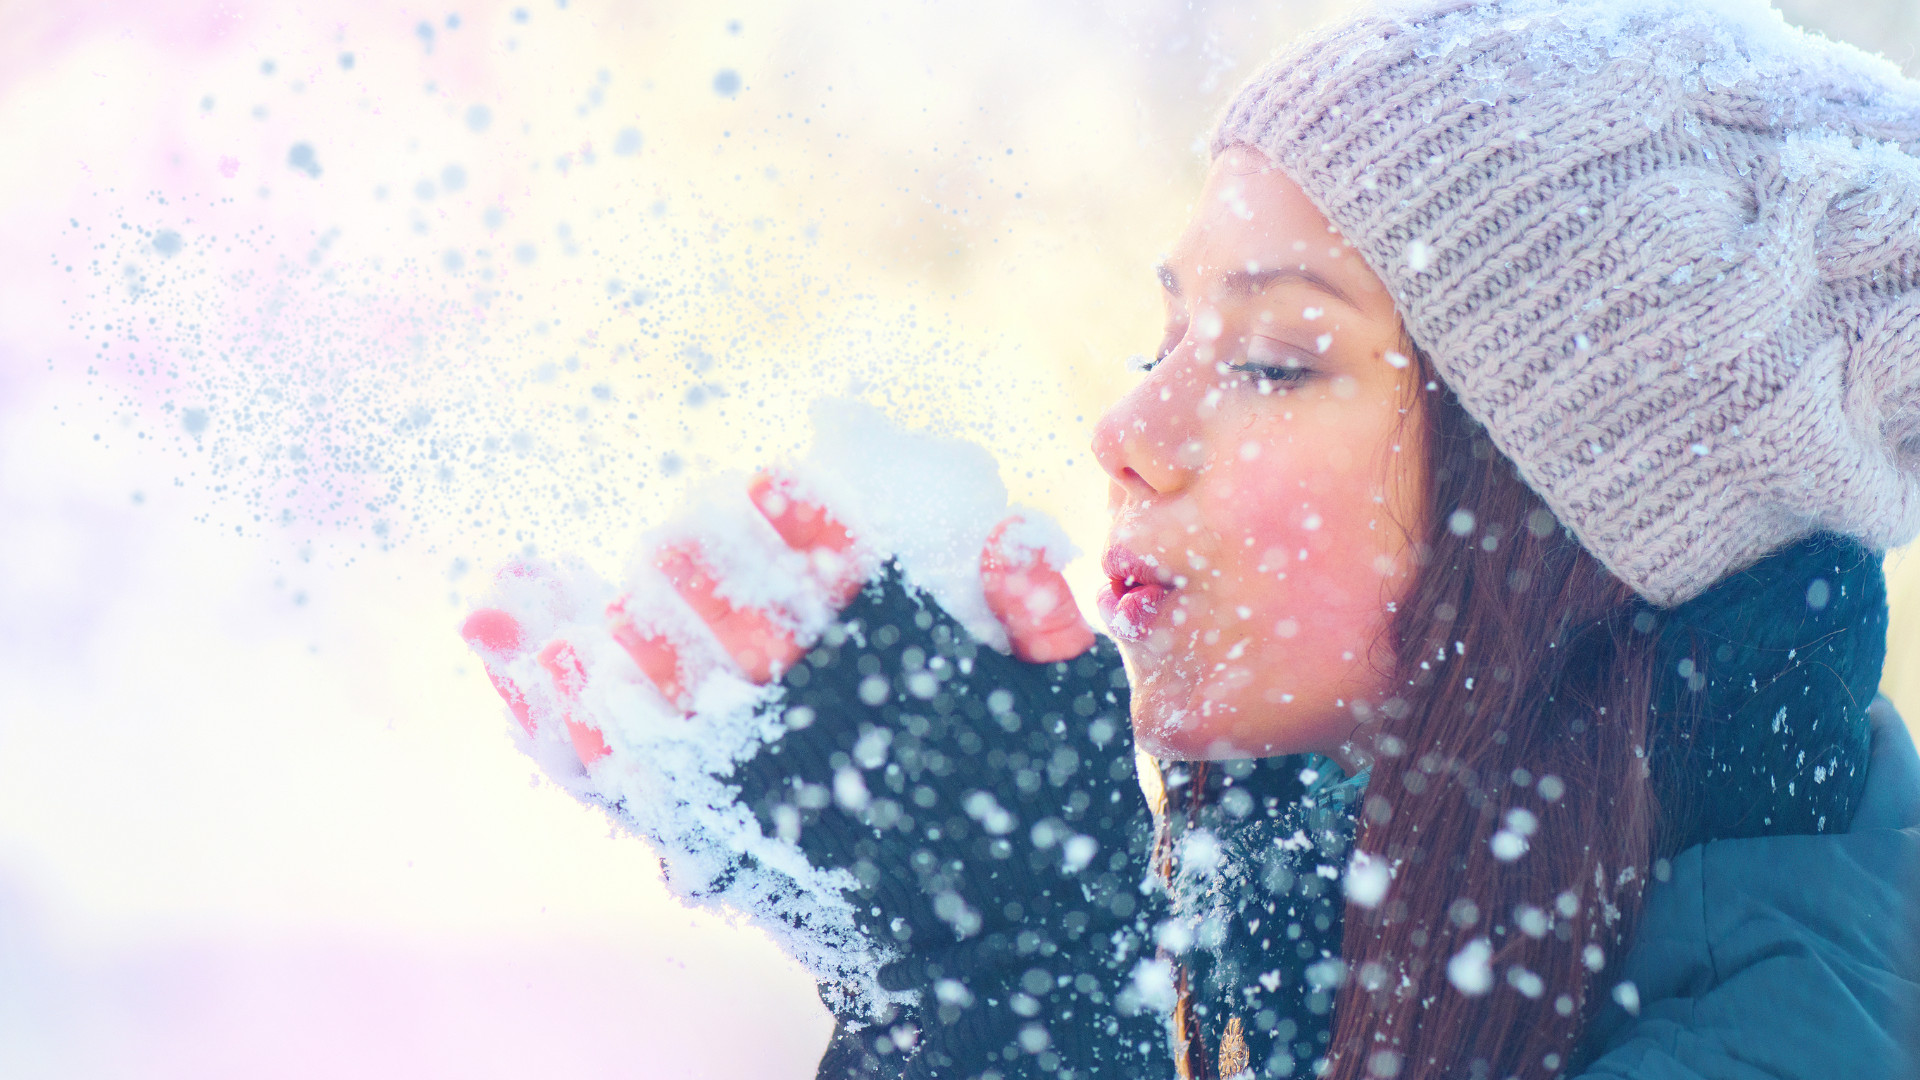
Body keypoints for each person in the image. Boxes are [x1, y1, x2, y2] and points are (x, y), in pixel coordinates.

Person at [460, 0, 1920, 1076]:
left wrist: (1009, 988)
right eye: (1167, 338)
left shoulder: (1796, 1044)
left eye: (1278, 359)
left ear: (1576, 512)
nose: (1127, 429)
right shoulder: (1389, 911)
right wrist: (899, 946)